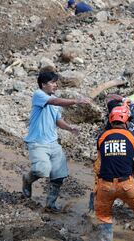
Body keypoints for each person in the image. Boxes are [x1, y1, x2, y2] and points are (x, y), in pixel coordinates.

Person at [23, 71, 92, 212]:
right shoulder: (39, 95)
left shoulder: (54, 99)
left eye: (56, 82)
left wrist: (69, 127)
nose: (56, 85)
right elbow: (54, 101)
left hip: (53, 143)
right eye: (52, 82)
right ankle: (27, 179)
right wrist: (76, 101)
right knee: (42, 170)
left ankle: (50, 204)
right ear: (43, 84)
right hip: (38, 142)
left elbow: (57, 120)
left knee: (59, 175)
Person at [92, 104, 134, 241]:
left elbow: (98, 163)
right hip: (127, 184)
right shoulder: (133, 136)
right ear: (126, 120)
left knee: (104, 215)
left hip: (106, 185)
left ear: (111, 120)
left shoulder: (102, 137)